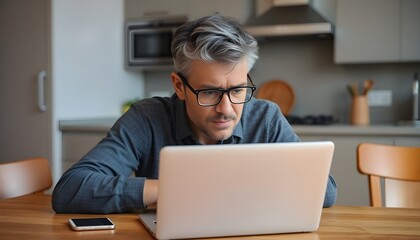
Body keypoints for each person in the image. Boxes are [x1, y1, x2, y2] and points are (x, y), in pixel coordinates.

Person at [52, 14, 337, 213]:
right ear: (179, 86)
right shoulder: (147, 118)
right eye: (210, 92)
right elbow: (70, 190)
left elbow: (325, 191)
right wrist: (172, 190)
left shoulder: (266, 118)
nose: (226, 109)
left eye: (238, 90)